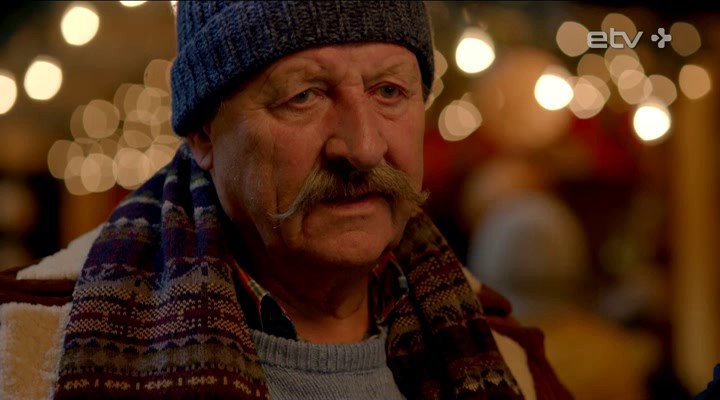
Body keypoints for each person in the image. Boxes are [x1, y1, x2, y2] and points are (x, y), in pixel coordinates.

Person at [0, 2, 572, 399]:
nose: (363, 148)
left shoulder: (507, 354)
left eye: (389, 91)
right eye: (304, 96)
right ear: (204, 133)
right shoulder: (24, 353)